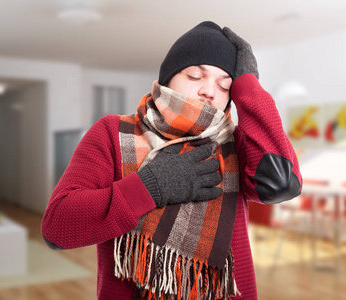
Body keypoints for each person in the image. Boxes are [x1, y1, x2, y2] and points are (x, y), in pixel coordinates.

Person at [41, 21, 302, 300]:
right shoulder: (112, 133)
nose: (209, 91)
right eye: (194, 76)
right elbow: (57, 229)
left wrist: (249, 85)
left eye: (225, 85)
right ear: (168, 78)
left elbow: (282, 184)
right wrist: (150, 186)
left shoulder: (237, 144)